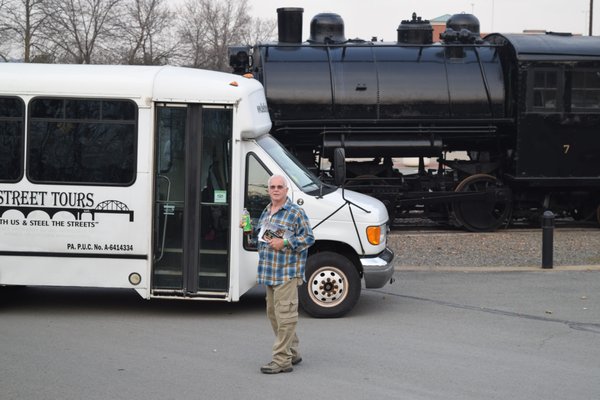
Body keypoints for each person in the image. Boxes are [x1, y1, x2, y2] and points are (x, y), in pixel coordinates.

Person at [255, 174, 314, 374]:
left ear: (286, 190)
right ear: (268, 190)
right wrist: (247, 229)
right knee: (274, 315)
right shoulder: (266, 211)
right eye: (272, 186)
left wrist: (286, 242)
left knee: (286, 316)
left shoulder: (295, 212)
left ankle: (282, 360)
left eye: (280, 186)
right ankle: (292, 351)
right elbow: (262, 237)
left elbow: (309, 238)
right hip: (269, 272)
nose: (276, 189)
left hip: (287, 272)